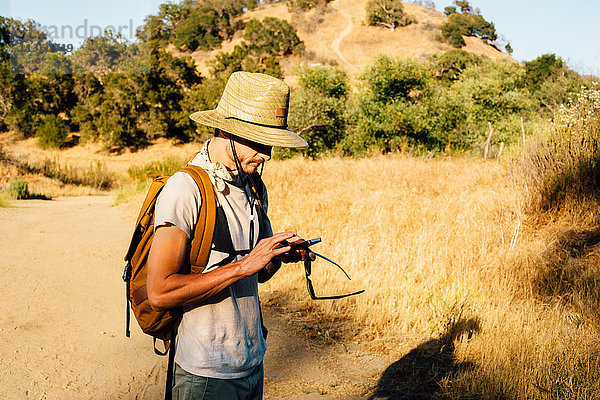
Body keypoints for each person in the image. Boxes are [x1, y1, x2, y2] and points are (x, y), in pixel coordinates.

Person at [146, 71, 311, 400]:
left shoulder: (253, 186)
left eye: (271, 144)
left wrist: (278, 255)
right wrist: (245, 264)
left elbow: (259, 275)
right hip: (205, 373)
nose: (267, 155)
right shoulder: (186, 188)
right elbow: (160, 293)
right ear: (227, 131)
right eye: (260, 142)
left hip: (252, 362)